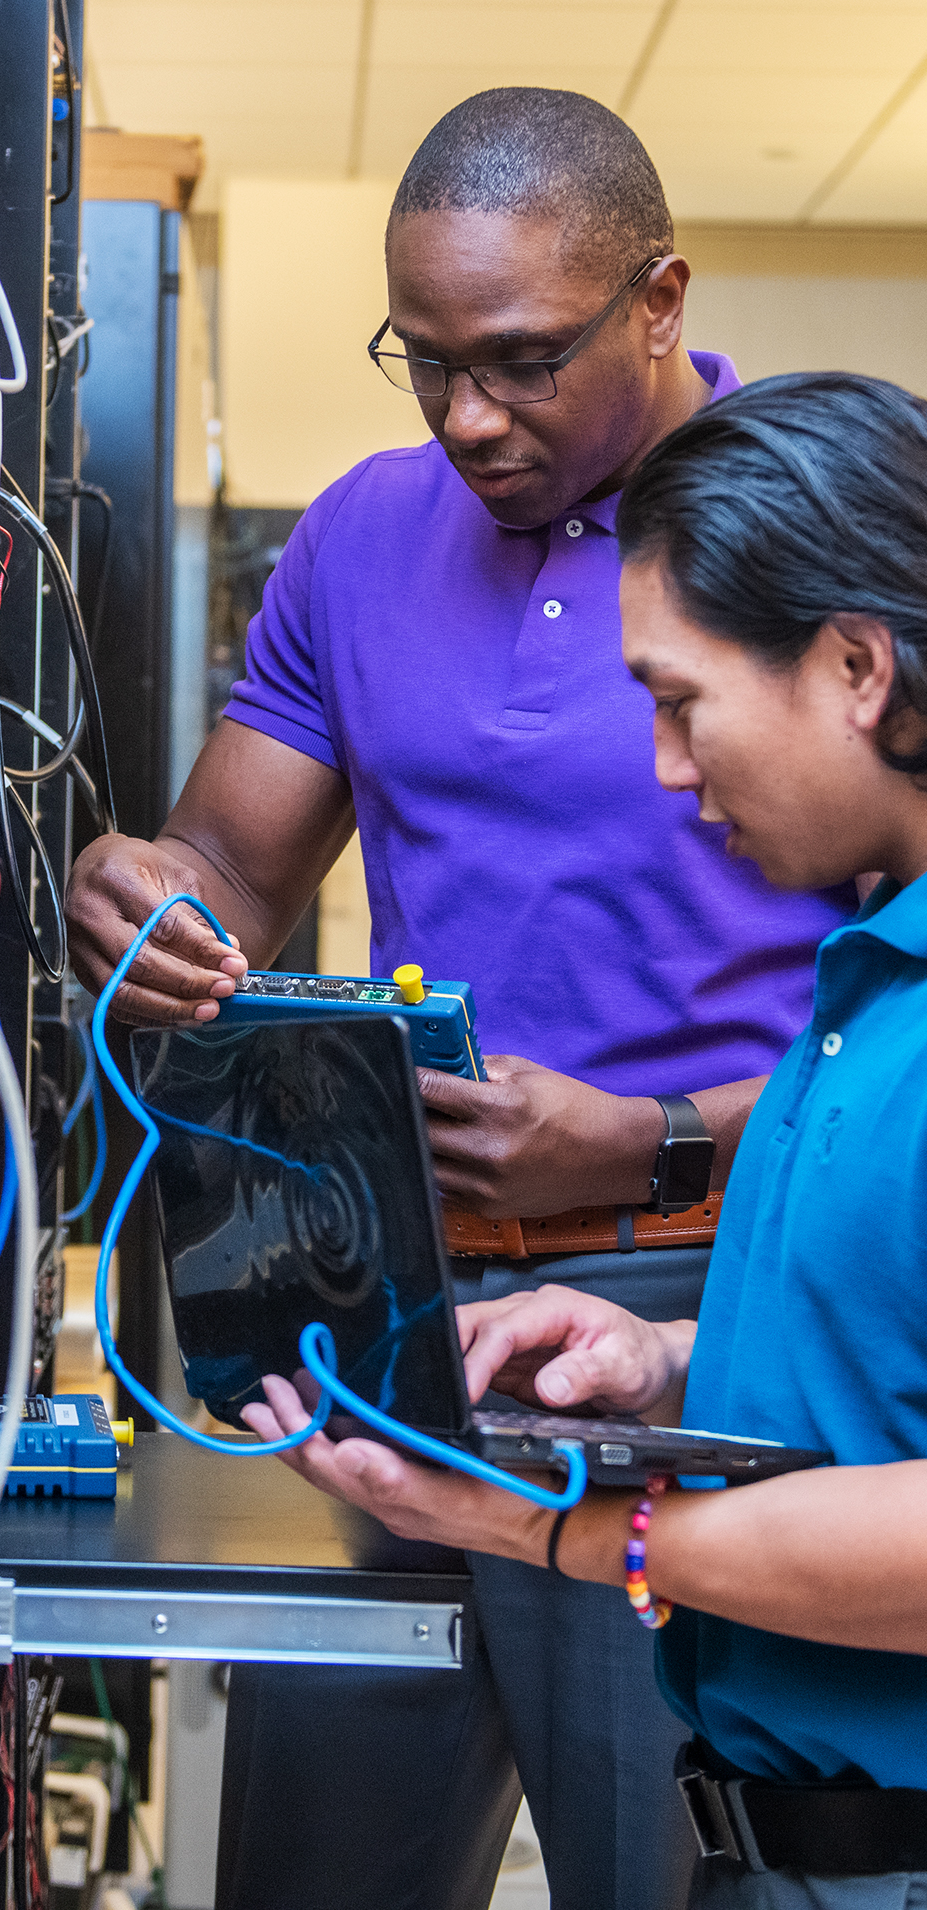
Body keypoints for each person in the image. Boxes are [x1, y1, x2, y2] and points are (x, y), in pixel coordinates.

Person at [65, 93, 857, 1910]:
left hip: (698, 1320)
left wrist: (643, 1141)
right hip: (395, 1317)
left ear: (657, 297)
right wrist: (145, 893)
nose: (466, 418)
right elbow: (230, 862)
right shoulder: (359, 538)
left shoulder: (808, 534)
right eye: (421, 364)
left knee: (662, 1866)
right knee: (314, 1864)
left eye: (516, 363)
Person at [250, 368, 927, 1908]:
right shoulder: (864, 990)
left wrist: (571, 1531)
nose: (670, 776)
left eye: (682, 706)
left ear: (853, 669)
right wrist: (660, 1366)